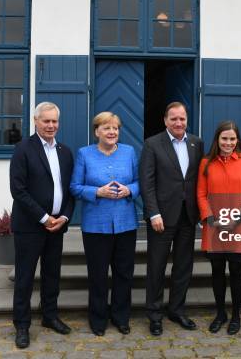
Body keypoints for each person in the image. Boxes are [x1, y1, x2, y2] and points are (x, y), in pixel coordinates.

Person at [9, 102, 74, 349]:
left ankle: (49, 316)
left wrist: (64, 217)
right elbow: (18, 190)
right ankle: (22, 325)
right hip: (30, 225)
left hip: (57, 225)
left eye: (54, 121)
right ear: (36, 121)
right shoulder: (23, 149)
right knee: (25, 277)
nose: (51, 126)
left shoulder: (65, 152)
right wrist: (44, 217)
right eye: (46, 121)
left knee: (52, 274)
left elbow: (70, 190)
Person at [70, 112, 139, 336]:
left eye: (116, 128)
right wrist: (97, 192)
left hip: (125, 224)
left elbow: (140, 181)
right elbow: (75, 186)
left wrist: (131, 190)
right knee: (98, 275)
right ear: (96, 131)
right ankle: (98, 319)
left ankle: (121, 317)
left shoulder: (129, 152)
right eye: (107, 128)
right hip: (95, 226)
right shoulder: (84, 154)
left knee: (124, 274)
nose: (112, 132)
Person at [139, 102, 204, 336]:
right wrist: (153, 212)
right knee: (156, 267)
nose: (178, 123)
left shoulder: (197, 143)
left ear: (187, 120)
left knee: (183, 266)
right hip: (162, 218)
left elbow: (197, 180)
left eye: (182, 119)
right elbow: (147, 182)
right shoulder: (152, 144)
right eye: (174, 119)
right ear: (165, 120)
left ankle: (177, 310)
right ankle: (154, 314)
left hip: (188, 216)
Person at [196, 121, 241, 334]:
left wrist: (237, 218)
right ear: (217, 139)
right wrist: (211, 218)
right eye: (224, 139)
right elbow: (201, 194)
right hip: (214, 226)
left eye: (232, 139)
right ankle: (220, 312)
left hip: (238, 226)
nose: (228, 143)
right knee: (217, 271)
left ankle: (236, 315)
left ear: (237, 140)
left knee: (236, 271)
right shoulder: (206, 162)